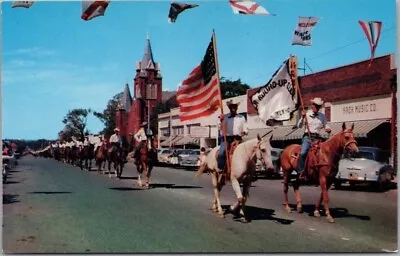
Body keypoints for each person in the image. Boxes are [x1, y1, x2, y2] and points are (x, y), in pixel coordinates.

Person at [296, 97, 331, 180]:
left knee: (323, 154)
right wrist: (302, 117)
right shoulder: (306, 114)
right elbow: (299, 126)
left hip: (317, 138)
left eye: (318, 106)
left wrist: (327, 129)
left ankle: (319, 172)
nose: (317, 107)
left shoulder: (322, 116)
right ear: (312, 106)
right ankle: (300, 171)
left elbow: (326, 125)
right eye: (315, 105)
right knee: (303, 152)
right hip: (308, 137)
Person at [217, 99, 248, 174]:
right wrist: (221, 121)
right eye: (231, 107)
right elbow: (220, 129)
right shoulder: (225, 117)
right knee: (221, 152)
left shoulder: (242, 117)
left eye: (234, 106)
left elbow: (245, 128)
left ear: (237, 107)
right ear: (229, 108)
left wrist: (244, 132)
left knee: (247, 153)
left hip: (238, 139)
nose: (233, 108)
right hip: (227, 139)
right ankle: (221, 168)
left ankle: (249, 170)